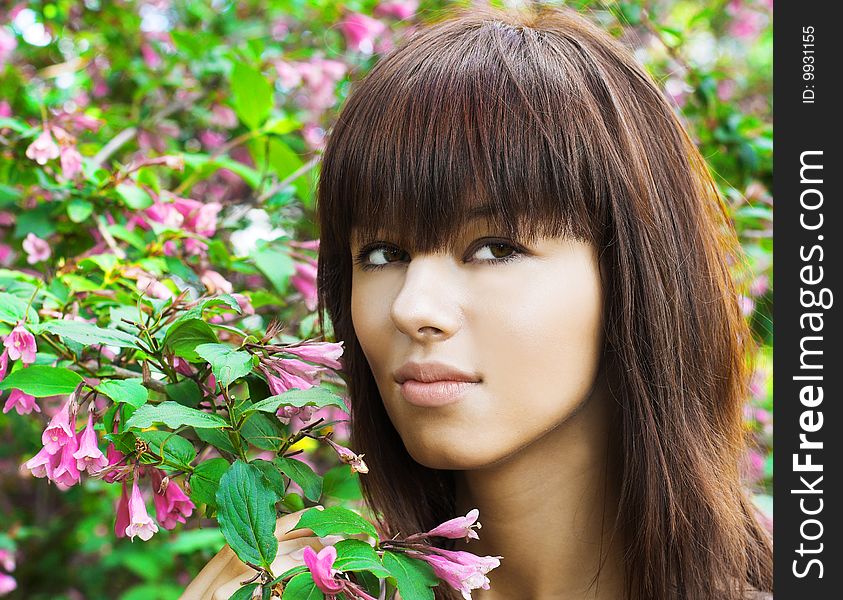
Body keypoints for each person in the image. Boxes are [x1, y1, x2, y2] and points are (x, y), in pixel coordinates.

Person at [183, 4, 773, 599]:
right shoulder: (301, 581)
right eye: (383, 255)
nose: (412, 309)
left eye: (494, 248)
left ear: (633, 275)